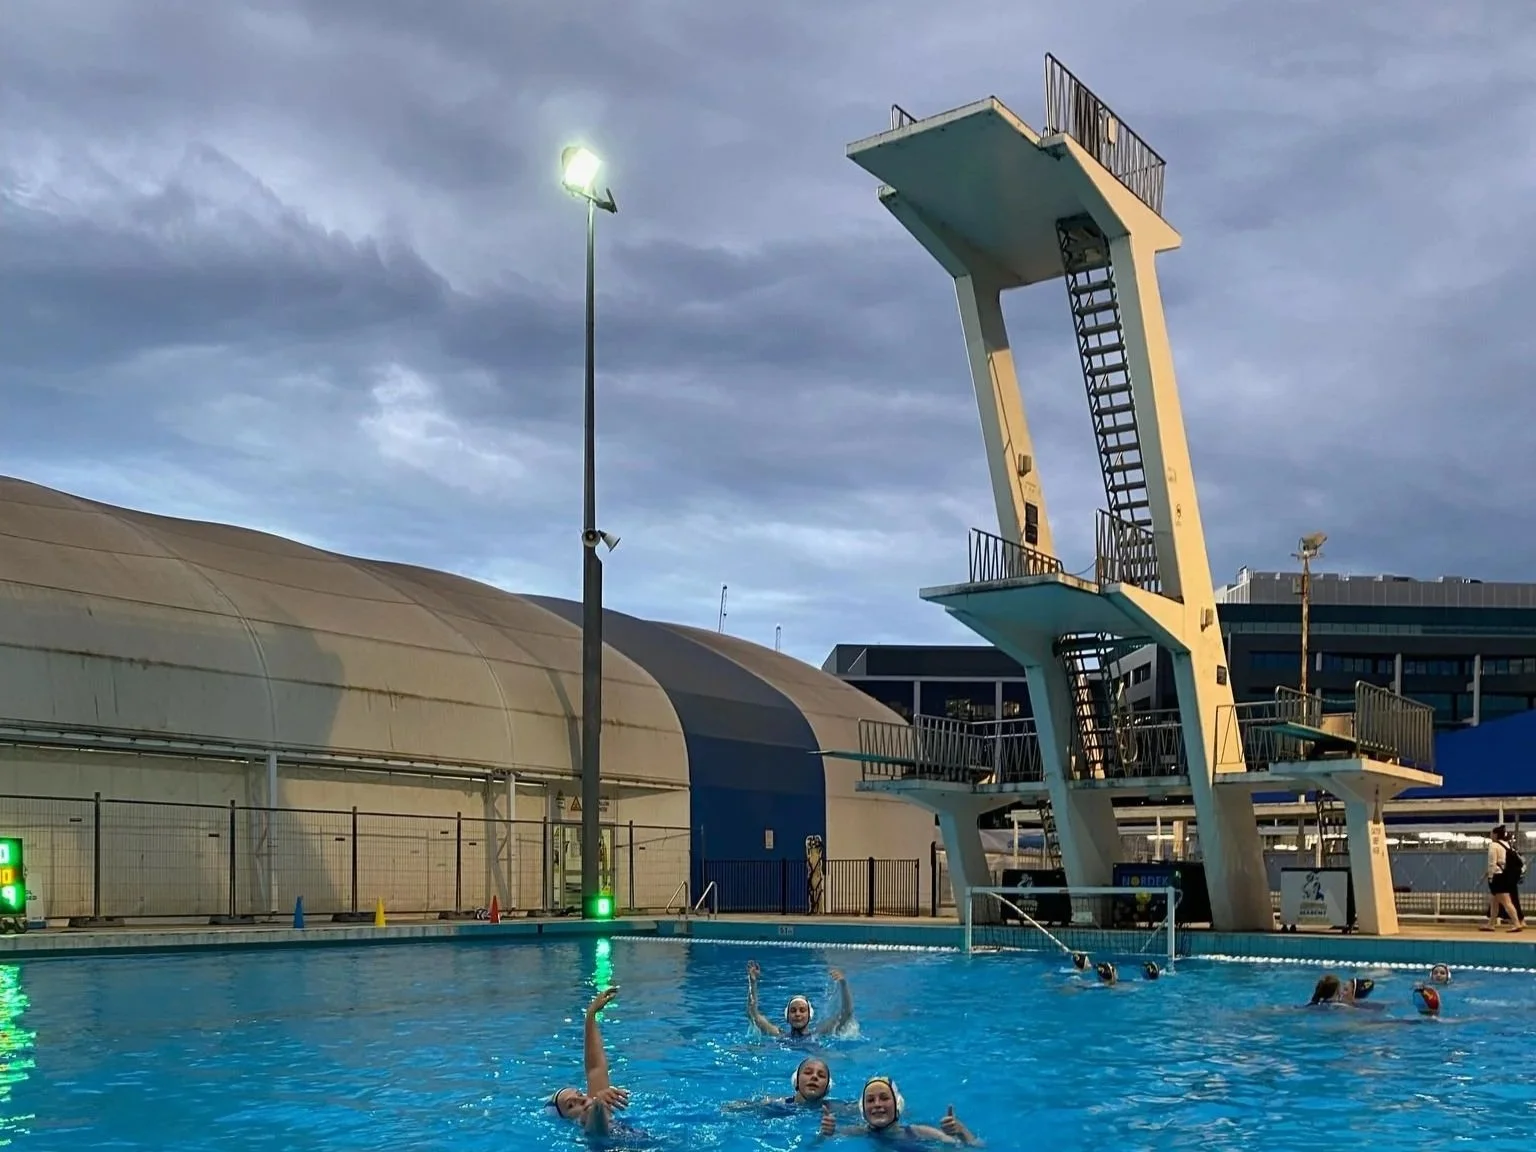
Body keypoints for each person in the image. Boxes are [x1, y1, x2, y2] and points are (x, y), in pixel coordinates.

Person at [546, 987, 630, 1136]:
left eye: (579, 1094)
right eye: (571, 1105)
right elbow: (597, 1126)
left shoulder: (596, 1103)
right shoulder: (587, 1132)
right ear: (567, 1120)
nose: (582, 1100)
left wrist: (591, 1014)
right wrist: (598, 1103)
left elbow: (595, 1068)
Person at [818, 1077, 981, 1145]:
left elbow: (976, 1148)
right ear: (863, 1109)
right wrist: (825, 1134)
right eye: (870, 1100)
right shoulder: (856, 1132)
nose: (877, 1104)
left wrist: (961, 1131)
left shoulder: (920, 1133)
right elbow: (815, 1146)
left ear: (897, 1104)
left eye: (884, 1098)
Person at [746, 959, 855, 1038]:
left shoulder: (818, 1033)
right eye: (793, 1011)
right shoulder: (779, 1035)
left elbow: (846, 1014)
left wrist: (843, 983)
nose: (797, 1014)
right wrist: (753, 982)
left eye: (802, 1010)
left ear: (809, 1015)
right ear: (787, 1016)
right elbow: (754, 1014)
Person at [723, 1056, 851, 1116]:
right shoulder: (778, 1104)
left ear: (827, 1088)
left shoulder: (836, 1108)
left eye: (821, 1075)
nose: (814, 1077)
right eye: (807, 1072)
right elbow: (749, 1106)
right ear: (796, 1081)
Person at [1481, 825, 1525, 933]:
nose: (1490, 835)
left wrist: (1490, 877)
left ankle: (1516, 923)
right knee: (1494, 901)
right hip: (1504, 875)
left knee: (1506, 902)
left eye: (1491, 833)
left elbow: (1492, 863)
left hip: (1497, 877)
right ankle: (1491, 924)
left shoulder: (1493, 845)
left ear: (1495, 835)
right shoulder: (1506, 845)